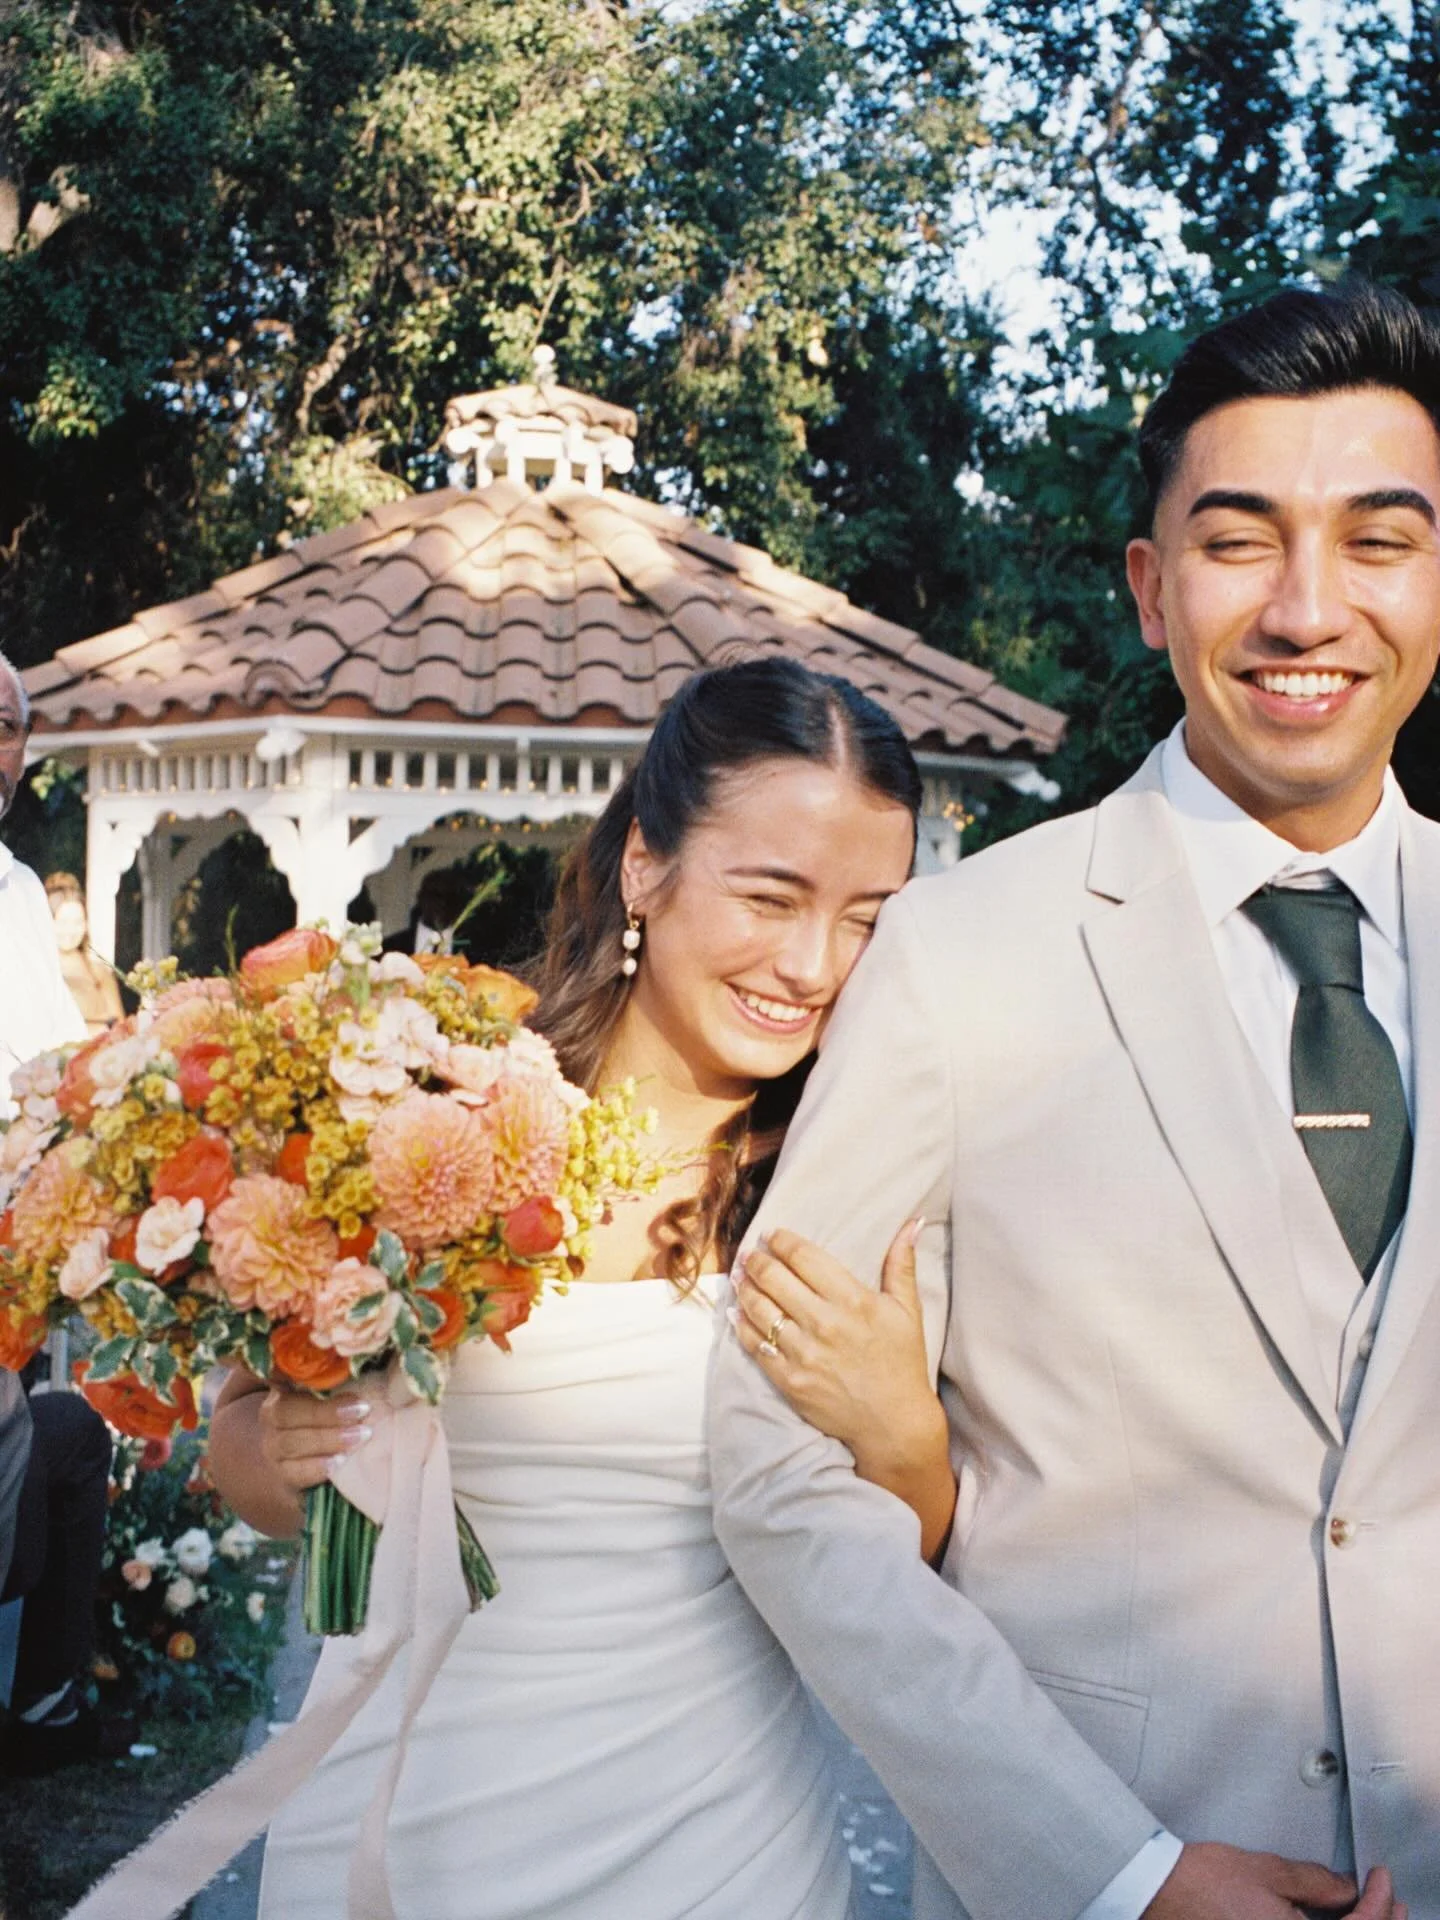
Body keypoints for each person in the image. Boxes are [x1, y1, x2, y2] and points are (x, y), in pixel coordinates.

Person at [710, 280, 1440, 1920]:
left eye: (1380, 540)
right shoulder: (960, 950)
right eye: (1240, 539)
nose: (1309, 609)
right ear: (1150, 589)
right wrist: (1116, 1872)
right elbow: (773, 1466)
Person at [207, 657, 951, 1920]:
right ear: (645, 866)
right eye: (771, 895)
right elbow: (246, 1473)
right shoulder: (420, 1113)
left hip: (722, 1856)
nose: (815, 962)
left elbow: (905, 1571)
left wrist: (906, 1435)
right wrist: (290, 1449)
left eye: (870, 916)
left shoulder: (869, 1182)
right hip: (398, 1827)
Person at [0, 655, 107, 1772]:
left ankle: (40, 1708)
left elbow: (48, 1062)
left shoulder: (20, 891)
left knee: (50, 1436)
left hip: (17, 1231)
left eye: (7, 727)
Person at [44, 872, 124, 1036]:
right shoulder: (41, 970)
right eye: (63, 922)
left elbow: (120, 1024)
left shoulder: (98, 970)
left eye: (77, 922)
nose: (70, 931)